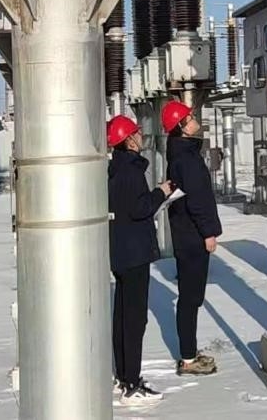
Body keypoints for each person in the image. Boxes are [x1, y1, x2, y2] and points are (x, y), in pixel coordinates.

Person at [107, 115, 171, 405]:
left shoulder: (113, 169)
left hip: (120, 253)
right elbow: (139, 209)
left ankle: (123, 376)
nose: (140, 136)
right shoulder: (132, 171)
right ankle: (132, 383)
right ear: (128, 141)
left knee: (122, 317)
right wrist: (161, 192)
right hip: (134, 254)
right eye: (136, 133)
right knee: (134, 320)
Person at [161, 100, 223, 376]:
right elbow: (198, 201)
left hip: (186, 234)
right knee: (191, 298)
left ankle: (189, 352)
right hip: (192, 236)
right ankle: (187, 358)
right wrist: (208, 233)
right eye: (190, 117)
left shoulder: (181, 153)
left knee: (191, 297)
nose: (195, 119)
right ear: (182, 127)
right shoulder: (186, 159)